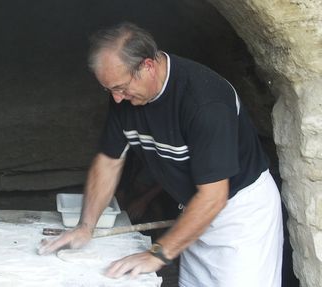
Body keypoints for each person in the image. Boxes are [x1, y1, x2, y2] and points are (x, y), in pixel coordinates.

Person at [39, 22, 283, 286]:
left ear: (147, 66)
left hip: (239, 219)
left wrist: (157, 254)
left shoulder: (205, 102)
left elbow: (214, 196)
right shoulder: (125, 97)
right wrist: (86, 226)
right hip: (195, 212)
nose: (117, 99)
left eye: (120, 87)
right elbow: (109, 161)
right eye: (109, 90)